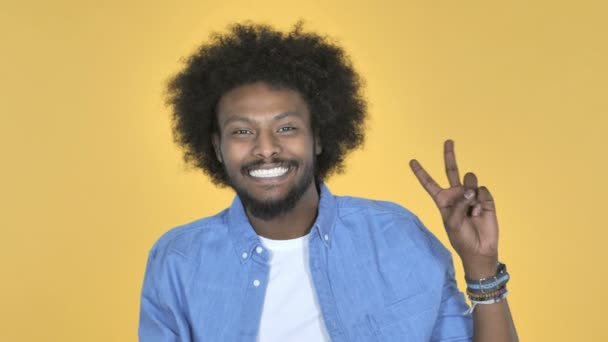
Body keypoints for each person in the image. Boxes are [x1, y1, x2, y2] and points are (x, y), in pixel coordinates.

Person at [139, 22, 518, 342]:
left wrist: (481, 266)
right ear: (217, 148)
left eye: (286, 128)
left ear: (318, 137)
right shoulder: (179, 261)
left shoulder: (398, 237)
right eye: (242, 131)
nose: (266, 149)